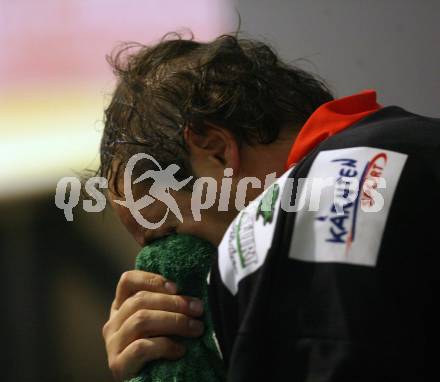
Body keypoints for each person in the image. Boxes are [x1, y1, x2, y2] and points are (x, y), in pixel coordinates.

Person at [98, 33, 440, 381]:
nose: (167, 270)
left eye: (167, 233)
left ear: (217, 149)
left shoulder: (320, 199)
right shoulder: (408, 145)